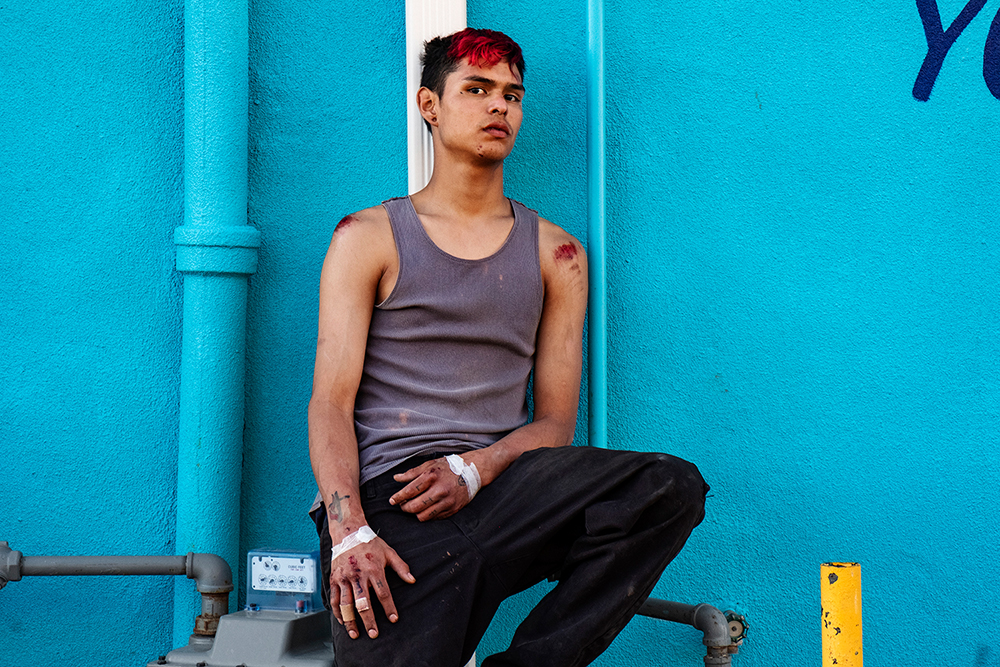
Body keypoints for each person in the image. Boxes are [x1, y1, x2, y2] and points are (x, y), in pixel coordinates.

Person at [308, 27, 708, 667]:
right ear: (430, 106)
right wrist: (348, 531)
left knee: (667, 487)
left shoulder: (558, 253)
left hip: (505, 491)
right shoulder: (368, 237)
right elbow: (330, 401)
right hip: (394, 507)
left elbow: (555, 424)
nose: (499, 106)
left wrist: (476, 469)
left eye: (512, 95)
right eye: (476, 89)